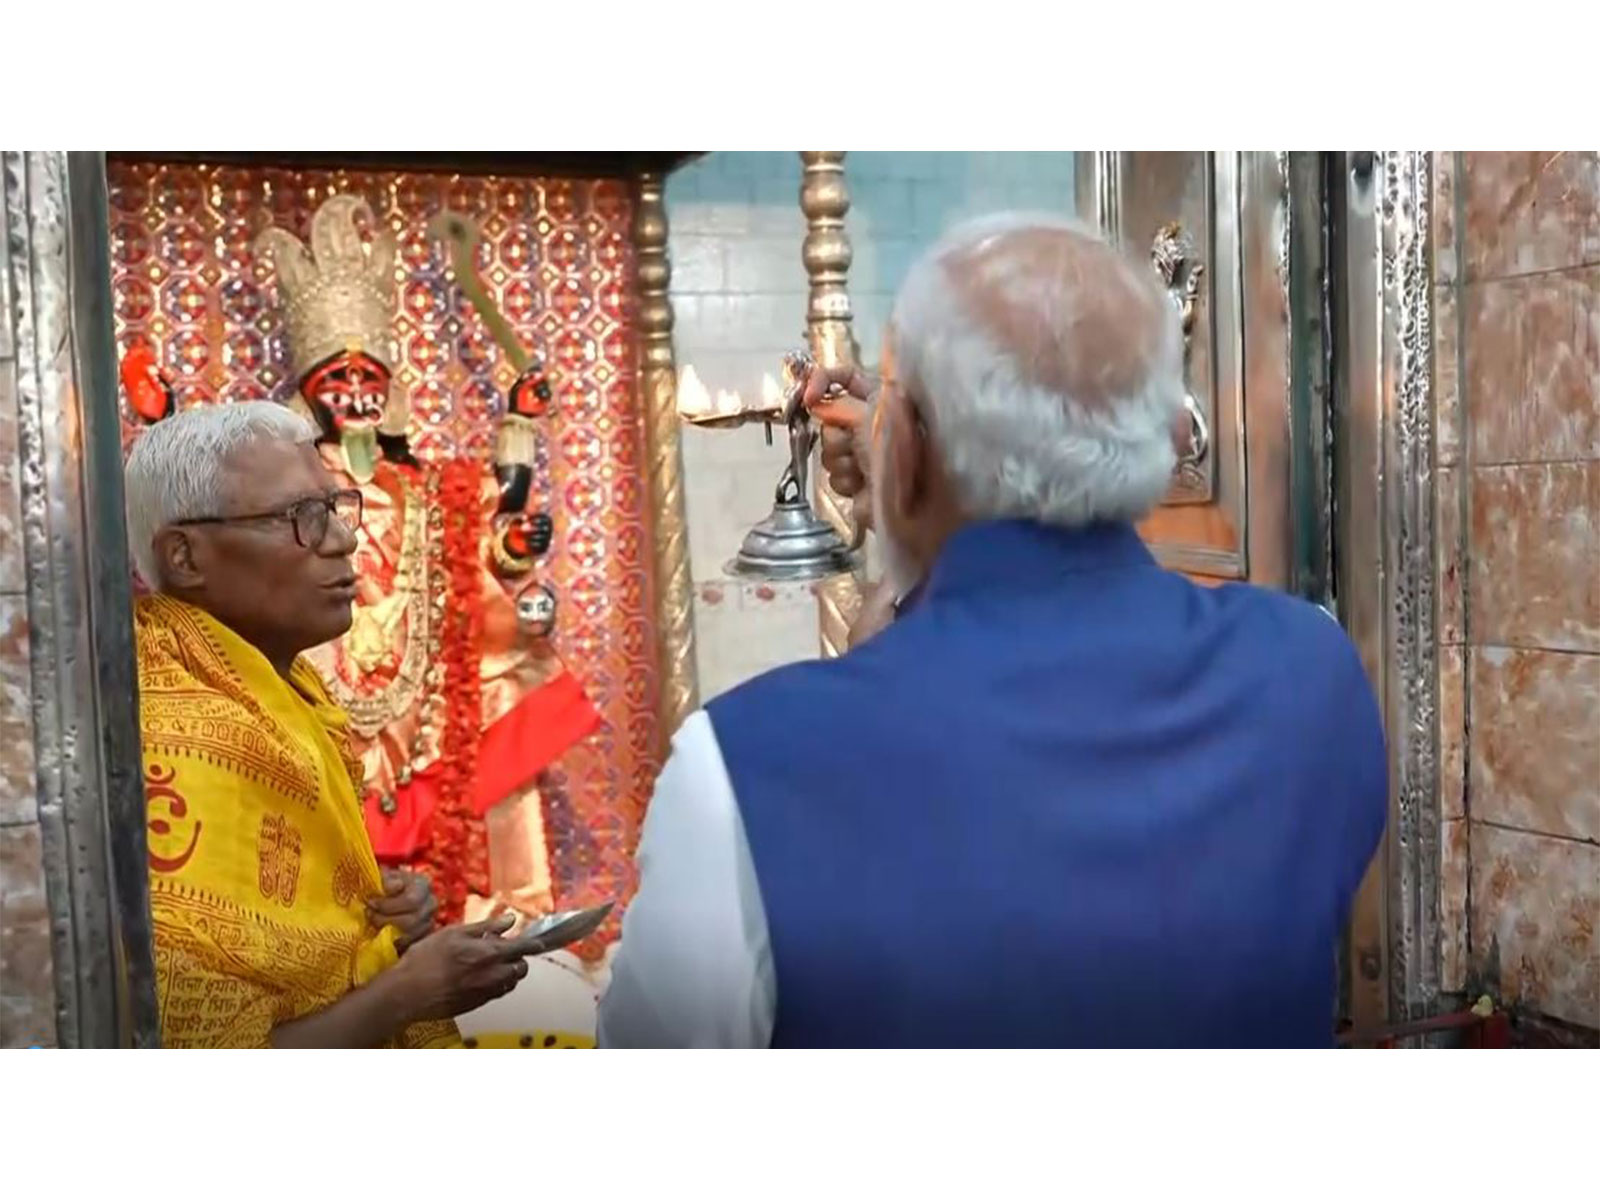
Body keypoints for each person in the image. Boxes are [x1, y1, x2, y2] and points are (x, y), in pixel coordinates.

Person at [597, 213, 1388, 1048]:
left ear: (907, 456)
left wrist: (907, 528)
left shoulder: (742, 770)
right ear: (1166, 436)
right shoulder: (1310, 675)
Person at [126, 401, 534, 1048]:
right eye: (300, 517)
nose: (344, 540)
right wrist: (409, 991)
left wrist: (381, 919)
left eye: (335, 508)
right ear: (185, 556)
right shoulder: (174, 727)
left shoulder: (285, 691)